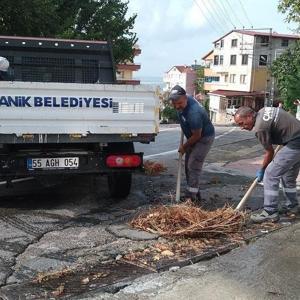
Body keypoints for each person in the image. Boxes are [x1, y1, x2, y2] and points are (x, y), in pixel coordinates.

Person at [234, 106, 300, 223]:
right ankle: (292, 206)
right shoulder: (263, 110)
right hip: (295, 138)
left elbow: (270, 152)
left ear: (249, 116)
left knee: (270, 174)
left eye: (242, 123)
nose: (242, 127)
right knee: (288, 176)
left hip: (295, 142)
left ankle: (270, 212)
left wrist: (263, 169)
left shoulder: (260, 128)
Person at [169, 85, 215, 202]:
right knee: (188, 166)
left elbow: (197, 136)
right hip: (193, 137)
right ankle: (194, 190)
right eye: (174, 103)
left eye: (179, 103)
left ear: (185, 98)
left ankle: (191, 197)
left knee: (193, 165)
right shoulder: (184, 100)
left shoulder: (194, 112)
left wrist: (184, 146)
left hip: (204, 138)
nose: (176, 106)